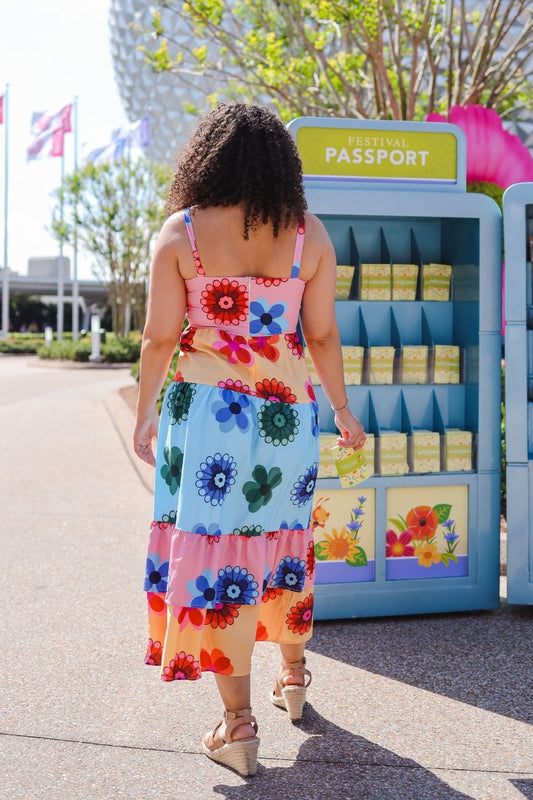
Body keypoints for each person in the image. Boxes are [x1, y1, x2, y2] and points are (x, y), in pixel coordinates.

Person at [133, 102, 365, 777]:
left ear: (206, 159)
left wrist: (146, 414)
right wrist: (342, 409)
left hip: (210, 417)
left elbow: (159, 337)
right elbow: (321, 333)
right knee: (280, 540)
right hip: (286, 415)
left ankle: (237, 725)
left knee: (218, 551)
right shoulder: (307, 235)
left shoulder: (183, 233)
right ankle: (293, 676)